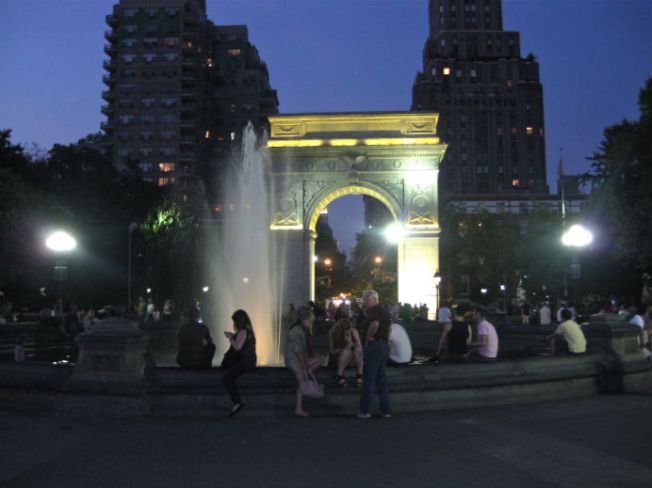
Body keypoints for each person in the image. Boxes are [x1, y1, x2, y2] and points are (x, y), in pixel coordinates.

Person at [357, 289, 392, 419]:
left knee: (368, 379)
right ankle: (385, 411)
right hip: (383, 346)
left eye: (365, 300)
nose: (364, 302)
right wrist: (387, 342)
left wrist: (367, 339)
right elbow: (389, 328)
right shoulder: (384, 311)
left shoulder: (374, 311)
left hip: (374, 346)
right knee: (381, 380)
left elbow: (375, 324)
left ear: (371, 299)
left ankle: (365, 410)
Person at [285, 306, 324, 417]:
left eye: (312, 321)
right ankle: (298, 408)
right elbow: (298, 352)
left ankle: (308, 371)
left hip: (297, 358)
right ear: (302, 320)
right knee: (301, 382)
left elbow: (302, 351)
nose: (311, 323)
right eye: (309, 320)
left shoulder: (302, 330)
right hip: (293, 360)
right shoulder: (297, 331)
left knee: (321, 359)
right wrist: (304, 367)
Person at [222, 309, 257, 417]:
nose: (234, 324)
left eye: (234, 321)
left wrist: (230, 338)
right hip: (249, 360)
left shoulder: (243, 331)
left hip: (245, 362)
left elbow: (238, 347)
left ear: (238, 321)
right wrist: (233, 336)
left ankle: (237, 402)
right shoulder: (248, 330)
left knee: (227, 378)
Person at [329, 318, 363, 387]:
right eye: (347, 331)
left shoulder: (354, 331)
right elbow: (332, 351)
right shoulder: (333, 333)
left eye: (350, 329)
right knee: (345, 351)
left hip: (354, 357)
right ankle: (339, 376)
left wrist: (354, 342)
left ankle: (359, 375)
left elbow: (360, 348)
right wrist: (343, 347)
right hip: (339, 357)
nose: (349, 331)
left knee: (358, 350)